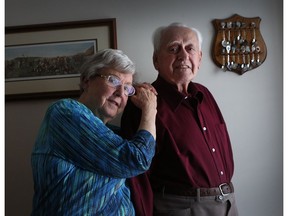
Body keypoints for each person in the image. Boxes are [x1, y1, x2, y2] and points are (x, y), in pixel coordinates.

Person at [121, 23, 238, 216]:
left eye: (190, 48)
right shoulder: (142, 103)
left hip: (228, 204)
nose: (183, 56)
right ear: (156, 59)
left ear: (199, 59)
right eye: (173, 49)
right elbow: (137, 177)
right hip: (179, 209)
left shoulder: (205, 94)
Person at [31, 48, 157, 216]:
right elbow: (137, 159)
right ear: (86, 81)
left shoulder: (111, 133)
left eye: (127, 88)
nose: (121, 93)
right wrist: (150, 109)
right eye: (113, 80)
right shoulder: (65, 113)